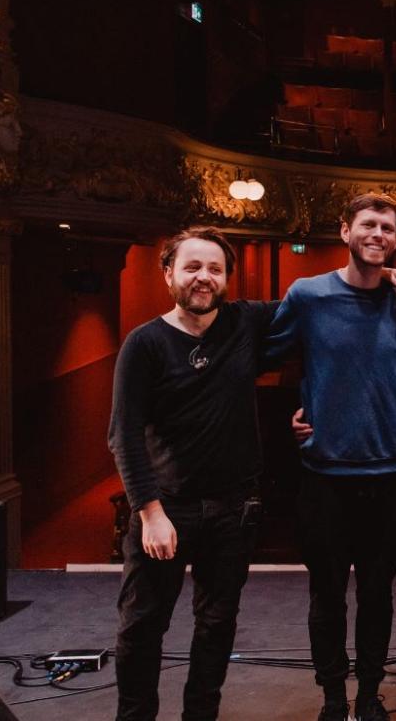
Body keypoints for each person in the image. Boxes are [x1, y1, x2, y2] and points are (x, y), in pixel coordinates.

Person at [268, 192, 396, 721]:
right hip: (324, 476)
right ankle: (335, 698)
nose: (377, 234)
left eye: (388, 227)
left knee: (378, 595)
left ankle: (369, 695)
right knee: (327, 595)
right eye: (368, 224)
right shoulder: (308, 295)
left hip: (387, 476)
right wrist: (289, 416)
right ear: (345, 231)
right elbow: (266, 356)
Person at [108, 227, 272, 721]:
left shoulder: (245, 323)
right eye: (193, 267)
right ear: (168, 274)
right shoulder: (145, 344)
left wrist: (387, 277)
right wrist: (150, 513)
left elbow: (323, 299)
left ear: (226, 278)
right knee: (141, 626)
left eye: (215, 269)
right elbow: (123, 435)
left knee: (217, 625)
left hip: (233, 510)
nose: (204, 278)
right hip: (166, 509)